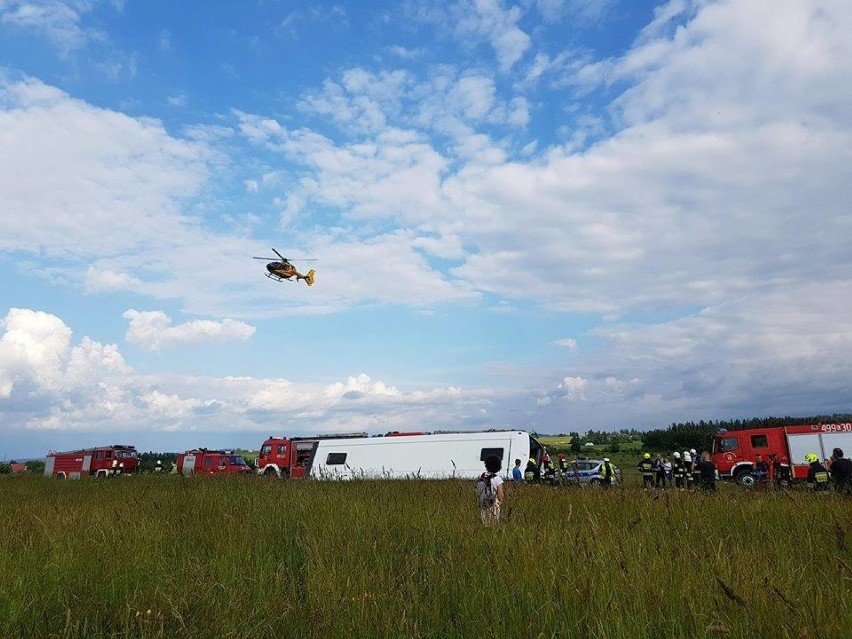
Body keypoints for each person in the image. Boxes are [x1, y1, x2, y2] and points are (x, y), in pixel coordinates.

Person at [476, 455, 505, 525]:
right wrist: (499, 503)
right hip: (494, 505)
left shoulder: (482, 477)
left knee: (486, 525)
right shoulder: (498, 479)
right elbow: (501, 495)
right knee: (494, 526)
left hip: (483, 506)